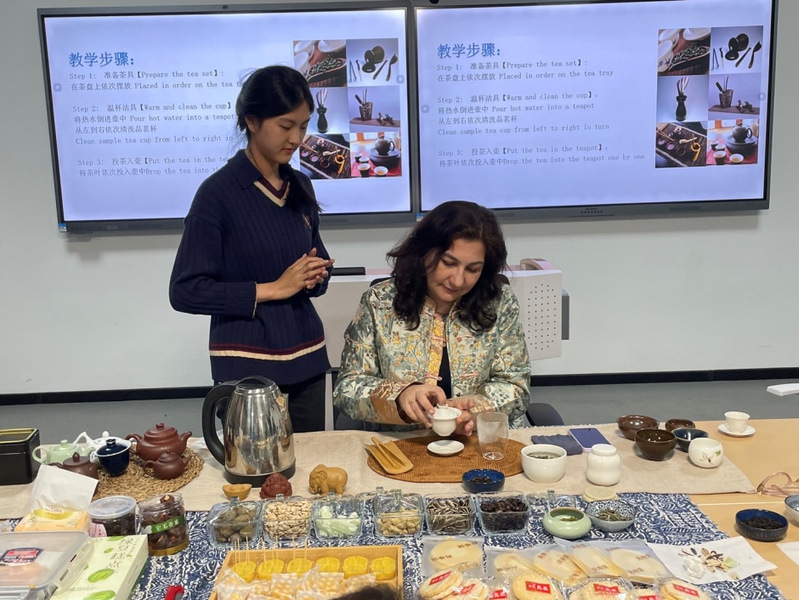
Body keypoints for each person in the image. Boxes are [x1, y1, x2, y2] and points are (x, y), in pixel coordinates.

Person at [169, 65, 334, 432]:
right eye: (286, 126)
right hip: (246, 367)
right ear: (252, 121)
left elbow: (314, 261)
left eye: (303, 126)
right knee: (253, 463)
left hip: (307, 357)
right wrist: (274, 289)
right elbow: (185, 291)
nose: (296, 138)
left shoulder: (301, 184)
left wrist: (316, 275)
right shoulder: (217, 194)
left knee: (311, 462)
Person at [333, 200, 530, 434]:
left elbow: (516, 386)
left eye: (473, 269)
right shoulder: (380, 302)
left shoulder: (499, 302)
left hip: (478, 442)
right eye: (448, 263)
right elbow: (347, 388)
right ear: (424, 252)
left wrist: (476, 410)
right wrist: (400, 396)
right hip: (402, 444)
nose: (458, 280)